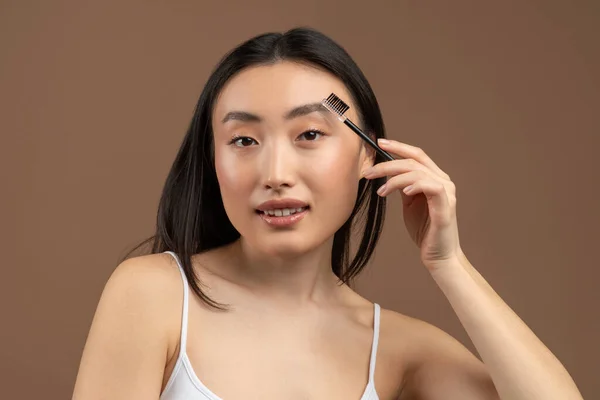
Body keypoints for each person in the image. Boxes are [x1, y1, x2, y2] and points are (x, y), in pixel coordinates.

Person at [72, 27, 582, 400]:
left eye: (310, 135)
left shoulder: (398, 350)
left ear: (368, 156)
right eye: (243, 140)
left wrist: (451, 266)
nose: (275, 172)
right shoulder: (153, 295)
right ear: (212, 161)